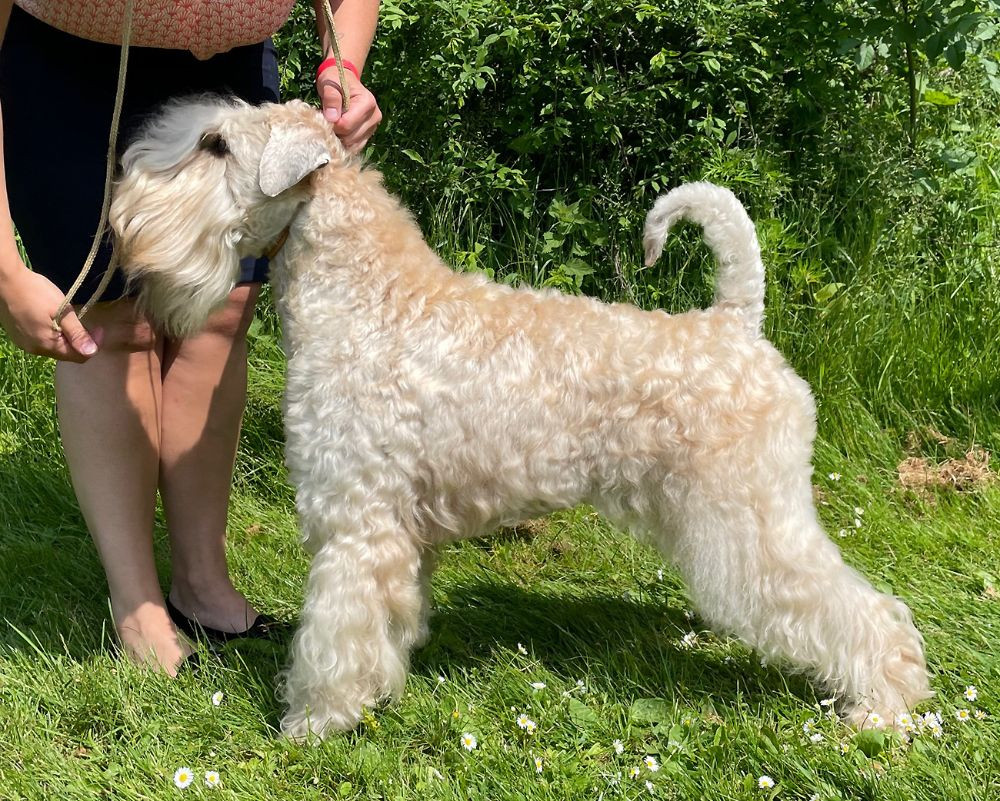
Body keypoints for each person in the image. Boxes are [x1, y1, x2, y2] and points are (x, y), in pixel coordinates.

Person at [0, 0, 382, 674]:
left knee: (223, 313)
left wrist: (341, 65)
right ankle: (139, 606)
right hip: (70, 67)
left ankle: (201, 582)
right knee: (111, 323)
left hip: (230, 72)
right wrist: (3, 269)